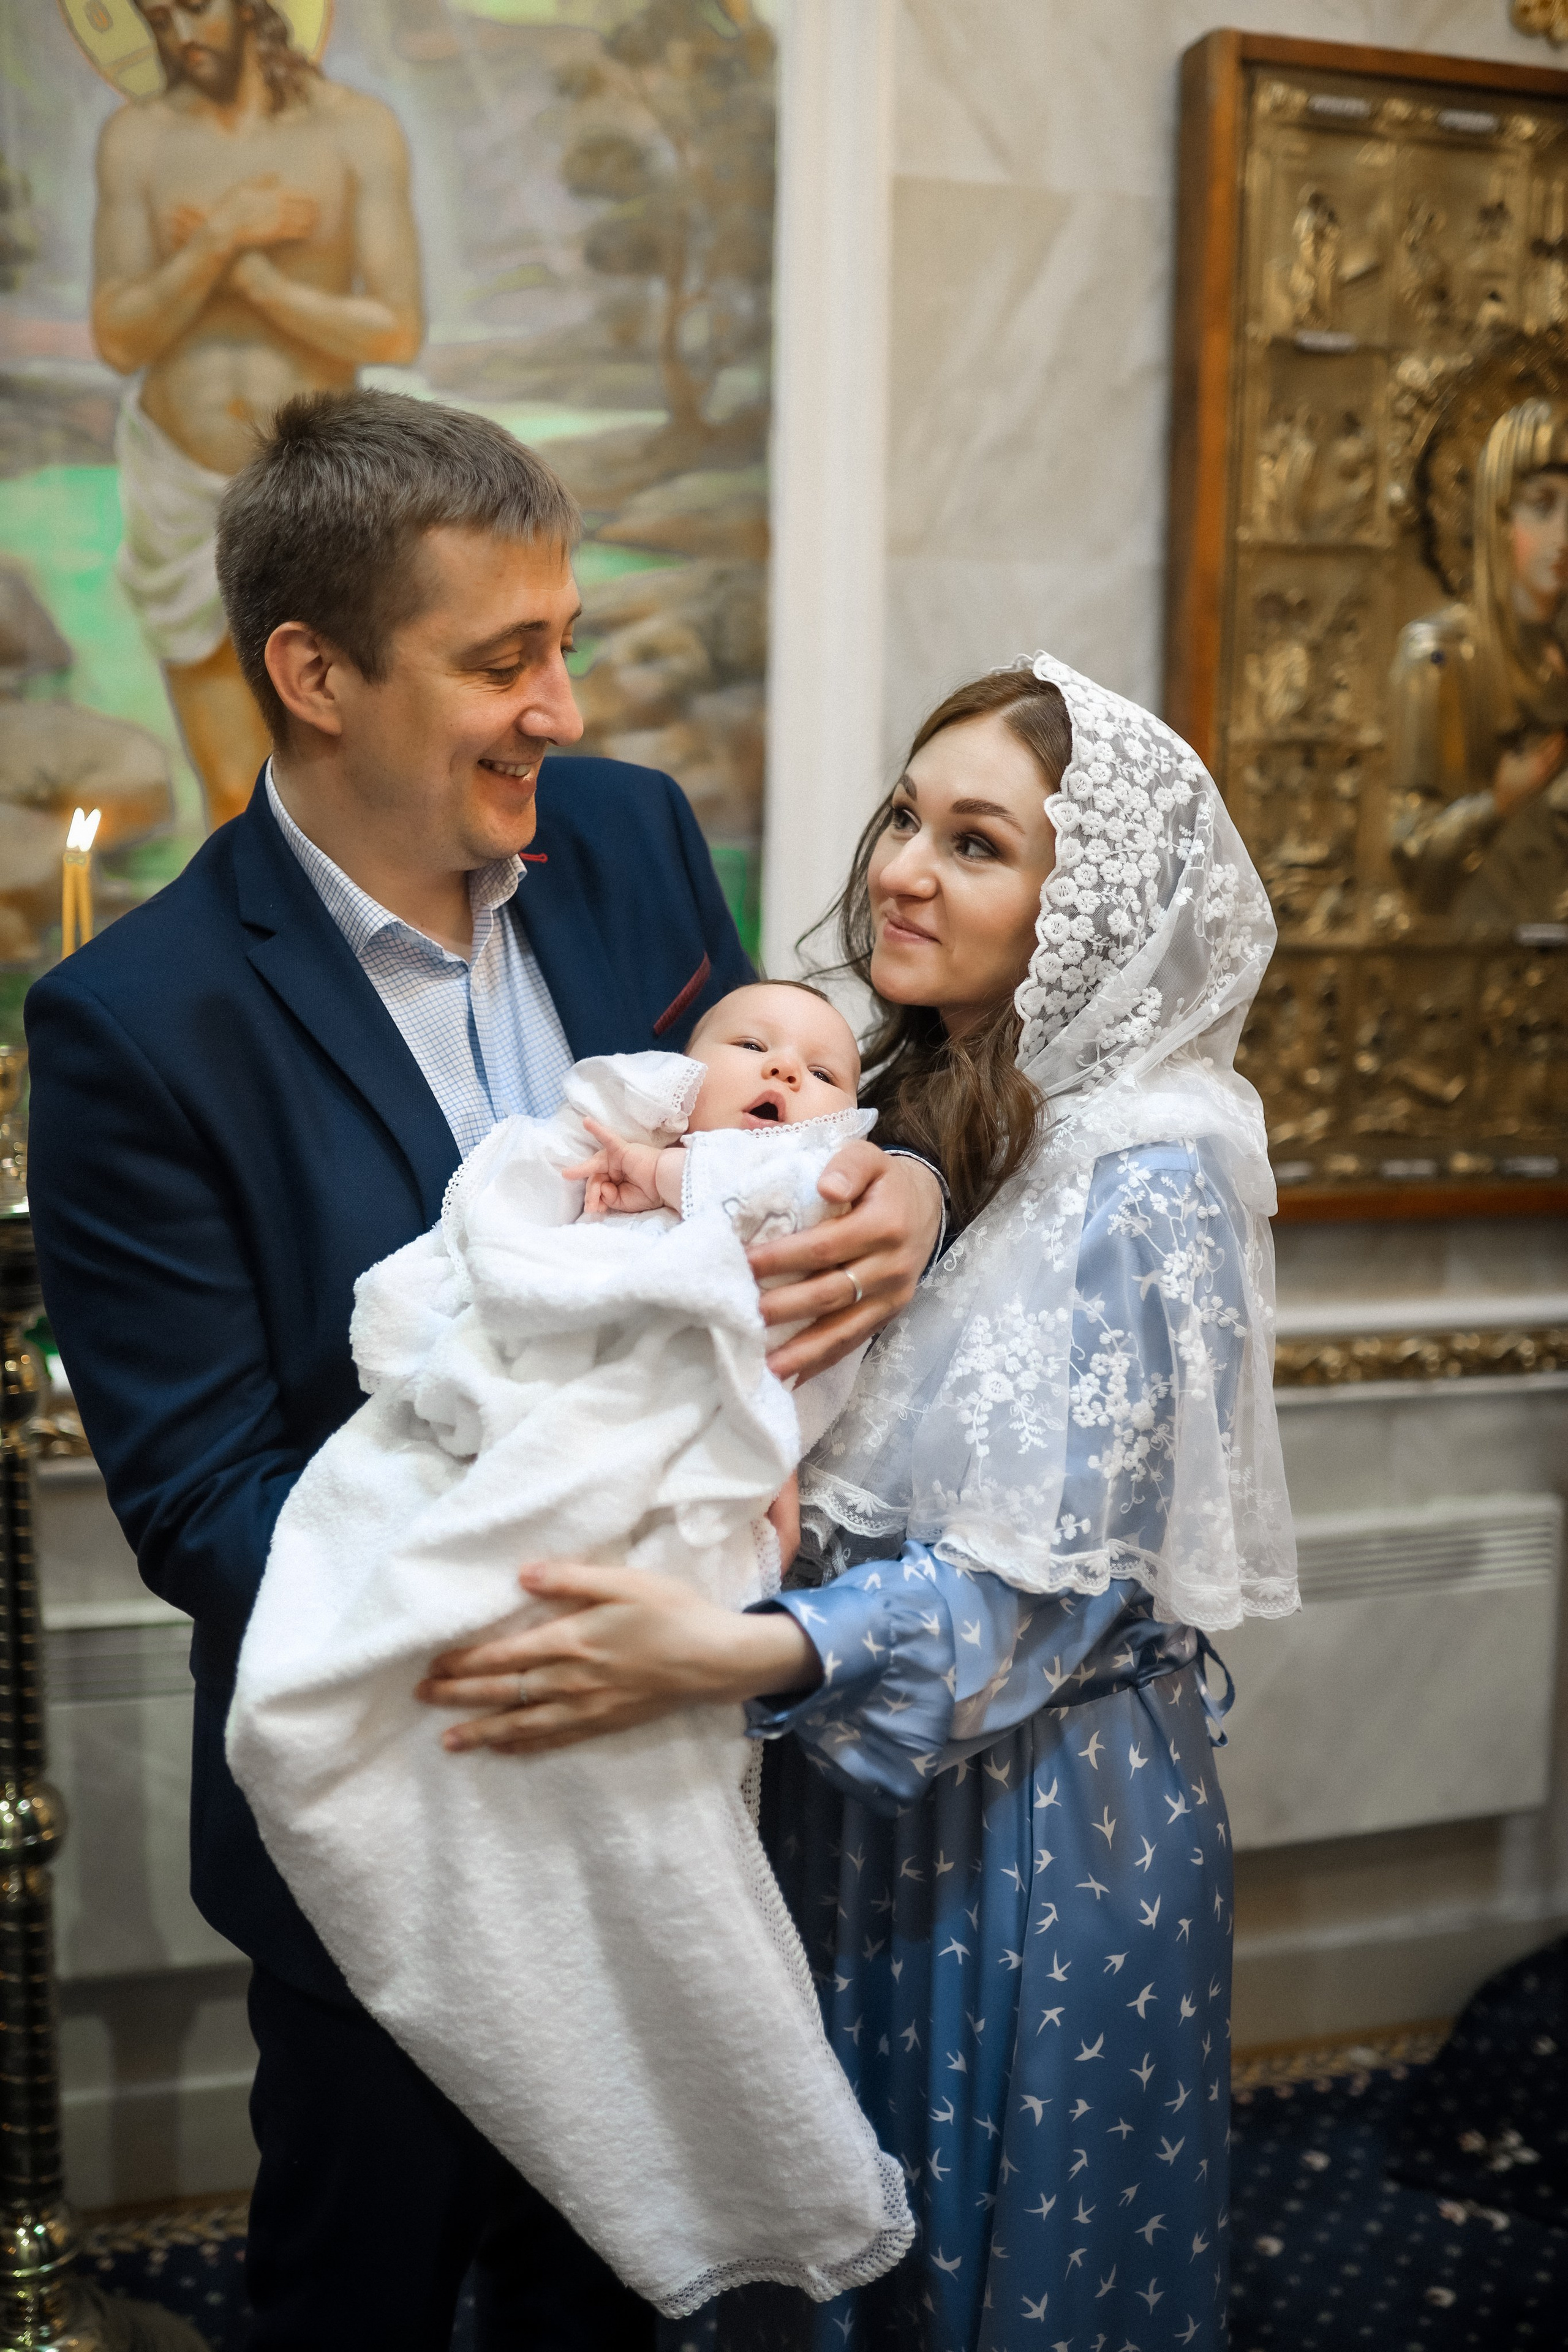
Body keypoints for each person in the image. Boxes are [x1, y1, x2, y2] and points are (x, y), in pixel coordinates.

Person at [23, 388, 943, 2352]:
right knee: (355, 2300)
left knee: (614, 2311)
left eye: (567, 642)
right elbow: (201, 1500)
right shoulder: (136, 1022)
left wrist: (916, 1186)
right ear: (315, 674)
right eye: (503, 657)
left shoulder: (628, 837)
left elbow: (788, 1124)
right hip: (403, 1800)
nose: (559, 706)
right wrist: (541, 1611)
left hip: (678, 1765)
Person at [420, 655, 1298, 2351]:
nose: (899, 868)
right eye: (905, 814)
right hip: (842, 1792)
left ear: (1087, 913)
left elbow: (1037, 1598)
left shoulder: (1153, 1168)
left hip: (1035, 1831)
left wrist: (735, 1649)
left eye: (976, 844)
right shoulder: (895, 1105)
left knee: (973, 2272)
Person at [228, 982, 918, 2319]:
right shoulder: (580, 1145)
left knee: (577, 2305)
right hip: (512, 1460)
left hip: (667, 1514)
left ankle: (715, 2177)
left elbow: (793, 1234)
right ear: (679, 1071)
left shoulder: (801, 1182)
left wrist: (702, 1189)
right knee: (355, 2282)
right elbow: (462, 1277)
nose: (785, 1071)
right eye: (753, 1047)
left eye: (823, 1070)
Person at [91, 0, 423, 824]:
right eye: (156, 18)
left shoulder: (354, 131)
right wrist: (218, 244)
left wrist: (259, 284)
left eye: (194, 9)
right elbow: (119, 336)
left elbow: (396, 328)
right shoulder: (139, 140)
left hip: (317, 489)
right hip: (179, 484)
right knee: (231, 793)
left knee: (342, 787)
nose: (179, 37)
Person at [1390, 398, 1568, 931]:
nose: (1565, 535)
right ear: (1499, 514)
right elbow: (1413, 857)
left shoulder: (1560, 657)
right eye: (1542, 506)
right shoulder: (1440, 655)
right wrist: (1499, 803)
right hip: (1473, 946)